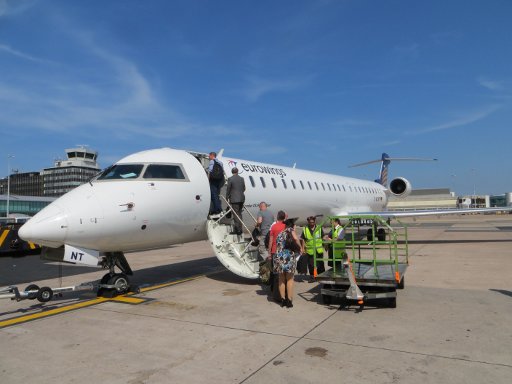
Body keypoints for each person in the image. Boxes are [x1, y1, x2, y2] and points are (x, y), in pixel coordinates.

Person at [274, 218, 301, 308]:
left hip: (279, 257)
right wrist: (300, 248)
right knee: (290, 279)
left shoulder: (280, 234)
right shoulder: (290, 230)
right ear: (292, 225)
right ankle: (289, 300)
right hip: (288, 257)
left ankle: (283, 300)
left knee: (281, 278)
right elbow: (296, 239)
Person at [300, 215, 326, 282]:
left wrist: (326, 244)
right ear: (308, 222)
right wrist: (303, 248)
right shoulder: (305, 229)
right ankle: (313, 277)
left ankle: (321, 276)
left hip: (318, 249)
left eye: (312, 222)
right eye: (310, 222)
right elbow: (302, 239)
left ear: (315, 222)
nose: (311, 224)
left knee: (320, 263)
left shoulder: (319, 228)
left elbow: (323, 237)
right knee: (311, 265)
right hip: (310, 250)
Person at [226, 167, 245, 235]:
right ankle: (240, 228)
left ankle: (238, 230)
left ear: (232, 172)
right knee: (239, 214)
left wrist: (227, 197)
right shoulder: (242, 179)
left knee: (236, 214)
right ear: (237, 171)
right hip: (242, 198)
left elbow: (228, 188)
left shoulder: (230, 179)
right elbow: (244, 188)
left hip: (234, 199)